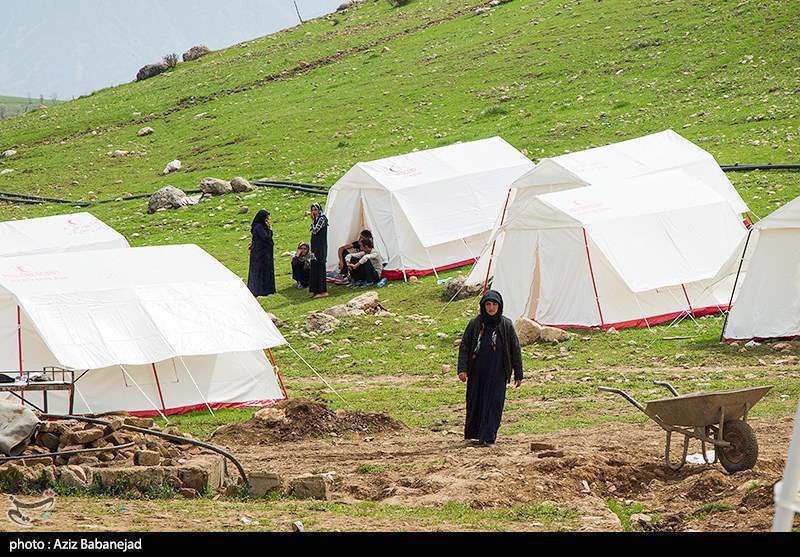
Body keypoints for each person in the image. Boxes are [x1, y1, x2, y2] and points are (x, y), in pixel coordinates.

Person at [456, 290, 523, 447]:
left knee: (494, 404)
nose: (491, 308)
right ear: (483, 306)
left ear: (499, 306)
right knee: (476, 402)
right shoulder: (475, 324)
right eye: (488, 304)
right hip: (477, 372)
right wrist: (462, 369)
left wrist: (518, 373)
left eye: (494, 304)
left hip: (498, 373)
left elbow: (515, 349)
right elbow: (465, 347)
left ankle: (489, 436)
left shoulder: (506, 325)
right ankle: (475, 434)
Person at [246, 209, 276, 297]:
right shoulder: (259, 227)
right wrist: (270, 229)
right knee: (260, 271)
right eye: (266, 218)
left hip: (262, 252)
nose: (267, 220)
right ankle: (261, 290)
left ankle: (265, 289)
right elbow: (266, 237)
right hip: (261, 253)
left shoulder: (258, 226)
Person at [308, 202, 329, 298]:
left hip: (320, 247)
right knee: (314, 266)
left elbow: (315, 230)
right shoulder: (316, 219)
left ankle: (322, 290)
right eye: (312, 210)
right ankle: (315, 290)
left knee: (320, 266)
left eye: (315, 210)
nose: (314, 212)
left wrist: (312, 221)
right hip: (314, 247)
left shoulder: (322, 219)